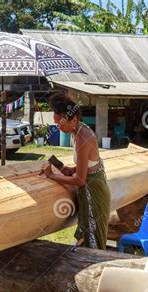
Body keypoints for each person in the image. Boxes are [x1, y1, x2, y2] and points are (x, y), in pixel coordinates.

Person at [41, 93, 111, 250]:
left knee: (93, 236)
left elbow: (80, 180)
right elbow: (90, 164)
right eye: (56, 123)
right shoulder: (77, 131)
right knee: (88, 232)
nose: (58, 127)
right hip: (93, 186)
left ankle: (95, 269)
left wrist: (52, 176)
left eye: (60, 123)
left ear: (73, 120)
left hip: (93, 191)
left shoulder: (82, 138)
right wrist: (71, 169)